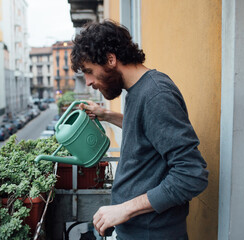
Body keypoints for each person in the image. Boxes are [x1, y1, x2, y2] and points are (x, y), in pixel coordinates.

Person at [71, 20, 209, 240]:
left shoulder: (156, 95)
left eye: (89, 71)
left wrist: (124, 209)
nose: (87, 82)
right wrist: (107, 115)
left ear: (110, 59)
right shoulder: (137, 90)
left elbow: (191, 175)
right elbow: (149, 133)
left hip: (152, 234)